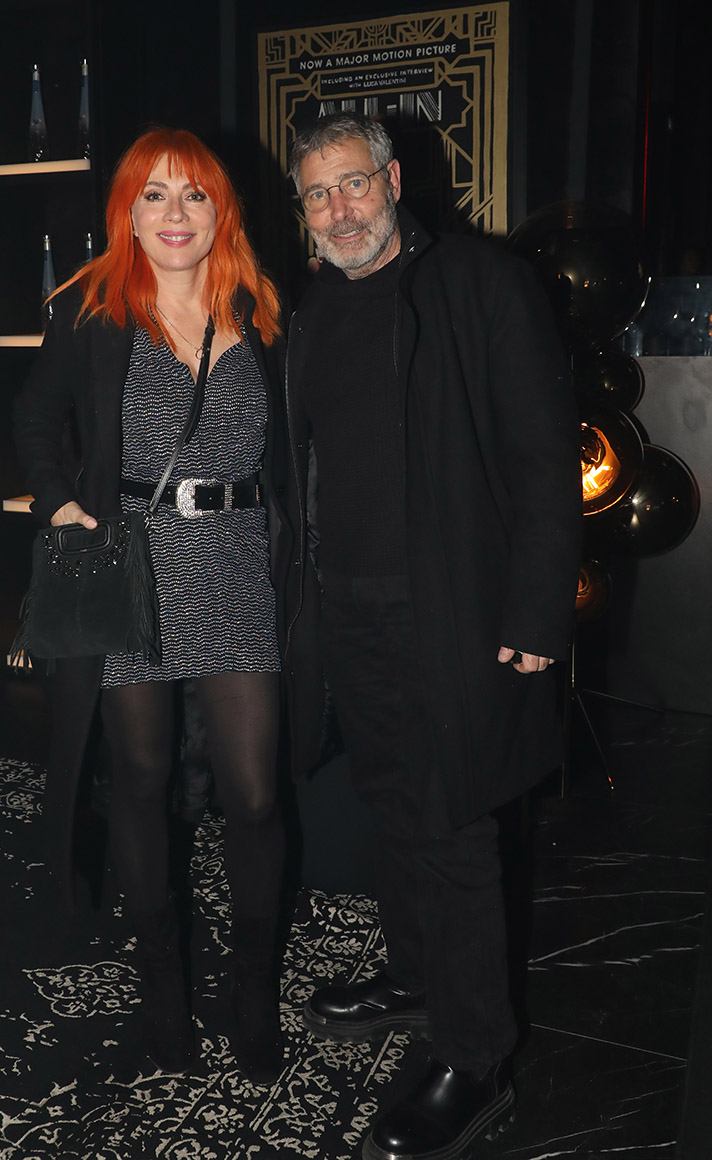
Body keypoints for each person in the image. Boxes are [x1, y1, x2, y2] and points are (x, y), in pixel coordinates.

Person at [282, 113, 582, 1160]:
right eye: (317, 195)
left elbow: (544, 456)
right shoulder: (309, 310)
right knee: (393, 805)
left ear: (394, 180)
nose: (338, 210)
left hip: (455, 609)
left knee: (454, 827)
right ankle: (416, 976)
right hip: (349, 610)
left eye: (353, 184)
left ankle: (475, 1055)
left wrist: (536, 612)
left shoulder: (481, 284)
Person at [14, 127, 292, 1086]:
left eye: (195, 195)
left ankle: (252, 987)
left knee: (255, 793)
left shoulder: (261, 308)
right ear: (127, 214)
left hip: (238, 563)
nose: (176, 214)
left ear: (223, 211)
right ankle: (162, 985)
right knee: (139, 779)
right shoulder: (92, 309)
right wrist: (58, 502)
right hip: (133, 565)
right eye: (155, 196)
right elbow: (33, 415)